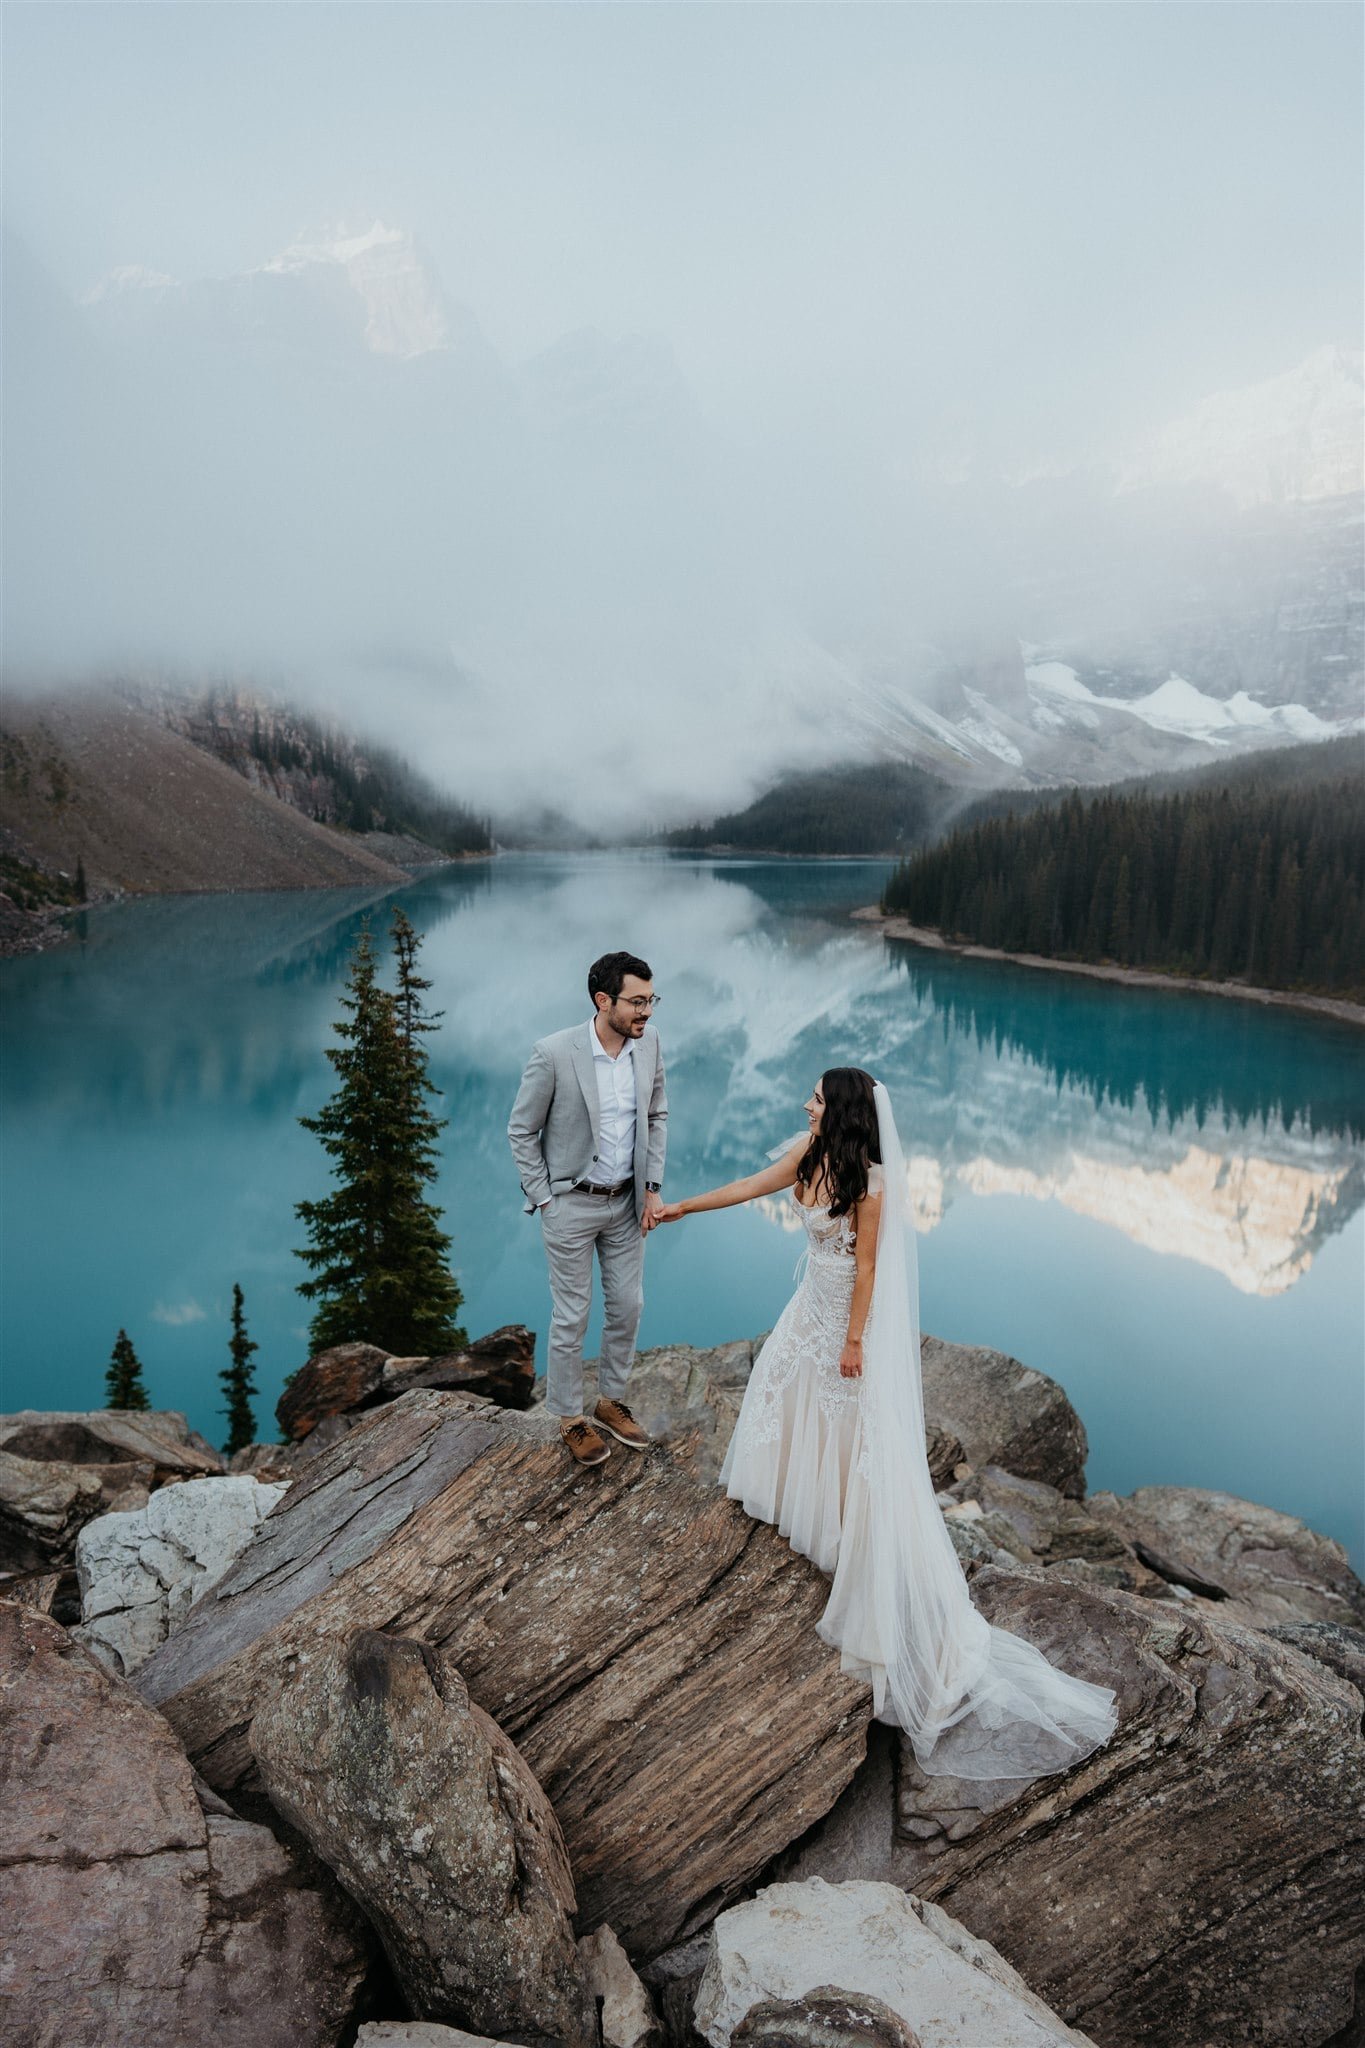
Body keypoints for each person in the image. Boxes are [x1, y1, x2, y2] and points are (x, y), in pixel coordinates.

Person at [656, 1067, 1118, 1782]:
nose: (803, 1104)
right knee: (783, 1398)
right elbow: (748, 1185)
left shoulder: (870, 1184)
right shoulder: (804, 1156)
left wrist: (852, 1341)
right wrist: (682, 1207)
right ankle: (798, 1508)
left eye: (813, 1097)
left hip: (843, 1317)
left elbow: (867, 1269)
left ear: (837, 1109)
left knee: (850, 1432)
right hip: (804, 1310)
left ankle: (849, 1537)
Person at [508, 951, 668, 1468]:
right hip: (570, 1205)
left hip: (626, 1203)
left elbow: (657, 1111)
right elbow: (521, 1130)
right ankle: (570, 1417)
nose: (647, 1012)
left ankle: (610, 1401)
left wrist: (652, 1187)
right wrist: (545, 1198)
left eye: (651, 1000)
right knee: (572, 1315)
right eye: (637, 1002)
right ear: (604, 1001)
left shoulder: (650, 1045)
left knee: (628, 1306)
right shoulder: (554, 1053)